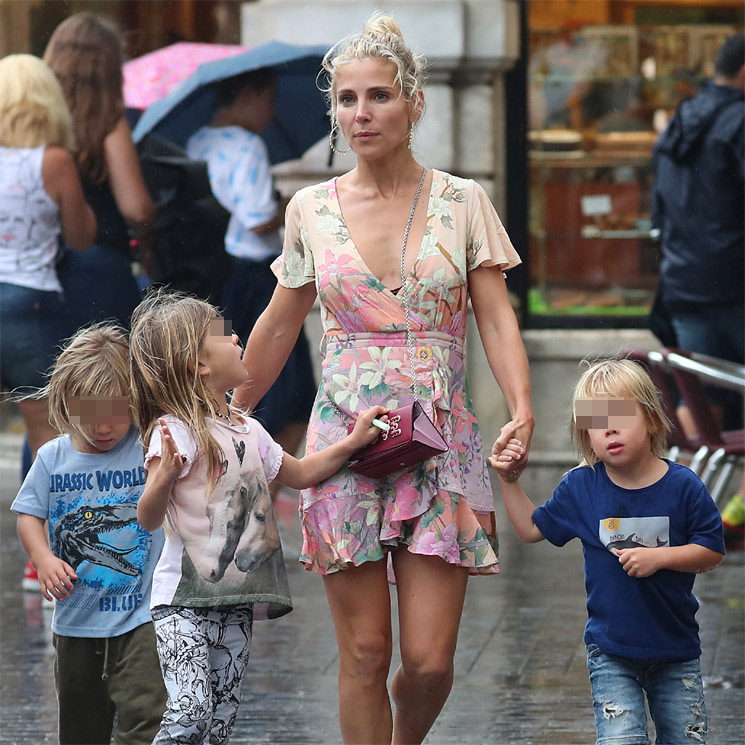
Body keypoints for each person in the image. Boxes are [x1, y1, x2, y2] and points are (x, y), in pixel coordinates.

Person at [234, 14, 534, 744]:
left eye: (377, 96)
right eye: (346, 100)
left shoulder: (463, 201)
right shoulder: (311, 208)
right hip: (342, 445)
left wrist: (521, 407)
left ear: (413, 103)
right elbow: (279, 320)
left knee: (428, 662)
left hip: (440, 443)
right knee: (365, 652)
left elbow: (494, 317)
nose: (360, 113)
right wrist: (232, 409)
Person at [128, 290, 387, 744]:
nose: (237, 338)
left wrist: (352, 443)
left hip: (236, 600)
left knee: (219, 723)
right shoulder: (175, 432)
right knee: (190, 712)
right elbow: (148, 518)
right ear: (199, 365)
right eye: (225, 335)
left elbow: (302, 473)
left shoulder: (249, 429)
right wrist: (163, 477)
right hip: (180, 602)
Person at [494, 359, 725, 745]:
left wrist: (660, 557)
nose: (610, 429)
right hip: (611, 650)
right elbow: (532, 529)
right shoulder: (582, 487)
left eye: (621, 417)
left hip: (676, 648)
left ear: (652, 420)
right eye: (596, 422)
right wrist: (509, 480)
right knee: (621, 739)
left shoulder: (684, 486)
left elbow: (711, 551)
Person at [11, 324, 167, 745]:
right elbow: (28, 515)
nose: (103, 428)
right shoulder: (52, 457)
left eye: (116, 412)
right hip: (75, 619)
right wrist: (43, 559)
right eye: (89, 415)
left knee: (146, 718)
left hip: (142, 616)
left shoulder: (147, 444)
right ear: (64, 403)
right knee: (81, 727)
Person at [185, 68, 316, 469]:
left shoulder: (196, 141)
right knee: (288, 385)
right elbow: (258, 218)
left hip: (212, 274)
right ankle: (264, 471)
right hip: (255, 275)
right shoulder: (248, 146)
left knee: (221, 375)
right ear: (248, 96)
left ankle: (230, 461)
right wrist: (286, 205)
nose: (272, 110)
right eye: (269, 99)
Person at [652, 32, 745, 544]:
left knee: (702, 408)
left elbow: (657, 212)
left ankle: (680, 512)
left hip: (684, 285)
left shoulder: (678, 122)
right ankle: (734, 513)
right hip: (735, 284)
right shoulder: (741, 120)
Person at [0, 53, 96, 459]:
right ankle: (40, 520)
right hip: (30, 300)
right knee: (45, 421)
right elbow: (81, 237)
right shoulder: (54, 161)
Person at [43, 12, 155, 332]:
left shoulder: (32, 121)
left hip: (39, 267)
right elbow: (136, 209)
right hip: (100, 267)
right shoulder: (109, 121)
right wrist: (150, 229)